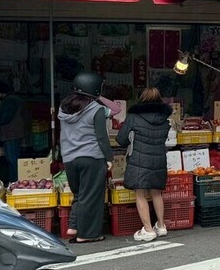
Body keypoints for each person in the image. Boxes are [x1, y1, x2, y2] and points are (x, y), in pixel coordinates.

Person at [58, 72, 113, 243]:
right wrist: (109, 157)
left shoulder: (64, 108)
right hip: (92, 157)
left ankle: (74, 226)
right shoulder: (96, 110)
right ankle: (88, 234)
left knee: (80, 195)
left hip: (69, 158)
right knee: (92, 197)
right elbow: (102, 137)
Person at [116, 88, 173, 242]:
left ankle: (148, 230)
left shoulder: (134, 117)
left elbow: (121, 140)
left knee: (140, 194)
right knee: (156, 192)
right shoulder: (164, 118)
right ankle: (161, 226)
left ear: (141, 98)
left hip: (139, 161)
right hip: (159, 159)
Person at [0, 81, 25, 183]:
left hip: (11, 133)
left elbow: (5, 118)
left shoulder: (10, 101)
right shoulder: (12, 99)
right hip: (12, 133)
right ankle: (14, 181)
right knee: (12, 158)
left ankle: (14, 181)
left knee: (12, 159)